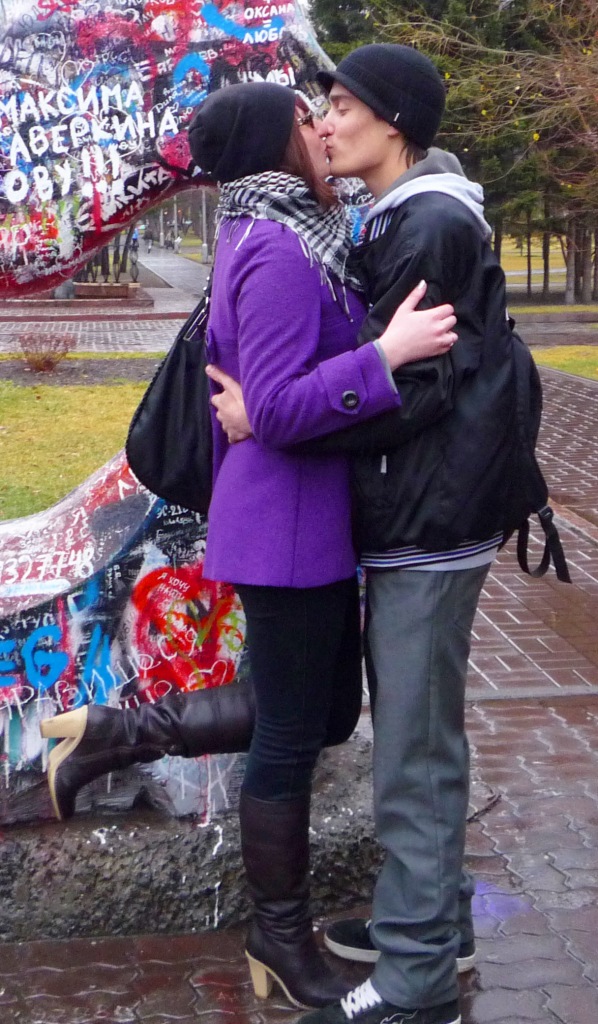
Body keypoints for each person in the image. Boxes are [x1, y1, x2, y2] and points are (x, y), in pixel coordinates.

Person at [40, 82, 457, 1012]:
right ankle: (278, 935)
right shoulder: (274, 246)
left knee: (319, 713)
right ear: (275, 138)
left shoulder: (295, 229)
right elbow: (273, 406)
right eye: (306, 118)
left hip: (303, 517)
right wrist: (386, 355)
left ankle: (112, 734)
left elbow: (268, 394)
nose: (321, 127)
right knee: (290, 737)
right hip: (286, 524)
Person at [211, 45, 522, 1024]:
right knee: (406, 737)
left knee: (411, 756)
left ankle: (417, 977)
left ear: (394, 123)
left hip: (427, 522)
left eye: (343, 106)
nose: (326, 122)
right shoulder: (374, 219)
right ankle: (429, 922)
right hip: (412, 517)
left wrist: (272, 417)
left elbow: (416, 392)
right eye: (319, 109)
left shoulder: (424, 223)